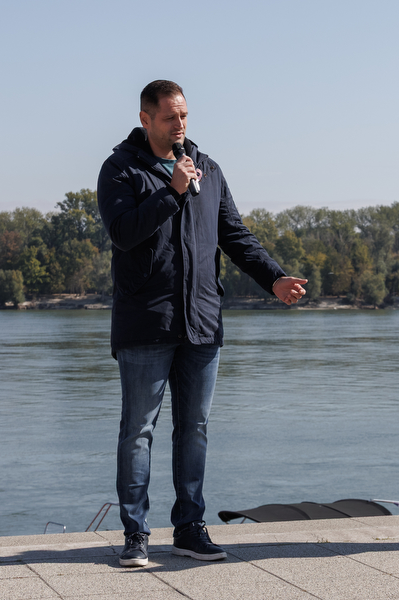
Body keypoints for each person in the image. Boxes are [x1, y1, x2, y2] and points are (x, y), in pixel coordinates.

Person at [97, 80, 307, 567]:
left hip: (202, 322)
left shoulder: (206, 169)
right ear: (146, 119)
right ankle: (136, 534)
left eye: (184, 116)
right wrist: (171, 191)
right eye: (169, 117)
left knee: (194, 429)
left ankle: (189, 529)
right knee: (138, 431)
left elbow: (235, 235)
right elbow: (124, 233)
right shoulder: (120, 169)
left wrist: (274, 279)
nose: (180, 125)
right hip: (146, 322)